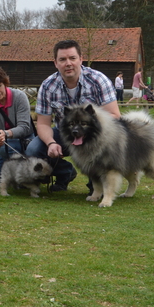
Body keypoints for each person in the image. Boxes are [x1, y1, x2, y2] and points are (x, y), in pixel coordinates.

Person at [25, 39, 121, 192]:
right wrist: (51, 143)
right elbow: (43, 124)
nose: (68, 63)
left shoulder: (98, 80)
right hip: (65, 135)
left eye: (72, 58)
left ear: (81, 59)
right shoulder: (48, 86)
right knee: (33, 149)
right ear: (55, 63)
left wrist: (92, 135)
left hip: (95, 136)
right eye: (62, 59)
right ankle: (65, 172)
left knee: (103, 144)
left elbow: (115, 116)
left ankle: (96, 183)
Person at [0, 66, 35, 188]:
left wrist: (6, 133)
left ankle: (21, 175)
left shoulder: (20, 97)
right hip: (4, 144)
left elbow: (25, 127)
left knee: (4, 147)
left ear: (5, 83)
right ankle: (13, 173)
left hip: (25, 141)